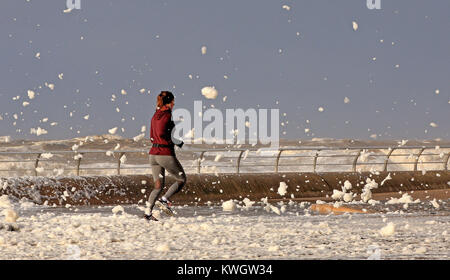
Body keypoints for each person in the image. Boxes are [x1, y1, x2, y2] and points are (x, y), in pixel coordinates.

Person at [144, 91, 186, 221]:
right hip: (165, 154)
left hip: (153, 155)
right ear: (169, 102)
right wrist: (178, 142)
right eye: (173, 101)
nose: (174, 104)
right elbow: (165, 133)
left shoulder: (155, 115)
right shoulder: (167, 115)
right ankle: (164, 200)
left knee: (158, 186)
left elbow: (151, 135)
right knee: (181, 179)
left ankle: (147, 214)